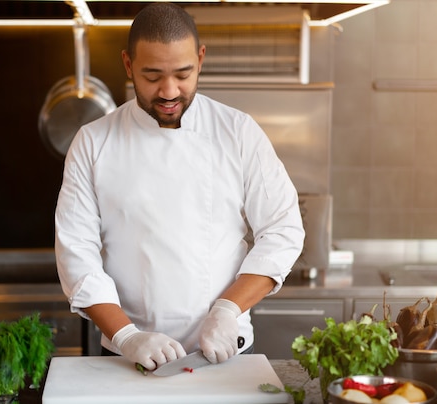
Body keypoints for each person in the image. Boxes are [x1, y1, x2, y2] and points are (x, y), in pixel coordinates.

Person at [54, 2, 305, 371]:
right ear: (128, 65)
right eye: (152, 75)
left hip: (225, 352)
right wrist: (126, 336)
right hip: (127, 356)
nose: (169, 91)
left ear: (201, 59)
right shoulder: (93, 142)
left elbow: (283, 230)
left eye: (183, 74)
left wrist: (227, 309)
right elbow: (77, 255)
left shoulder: (237, 132)